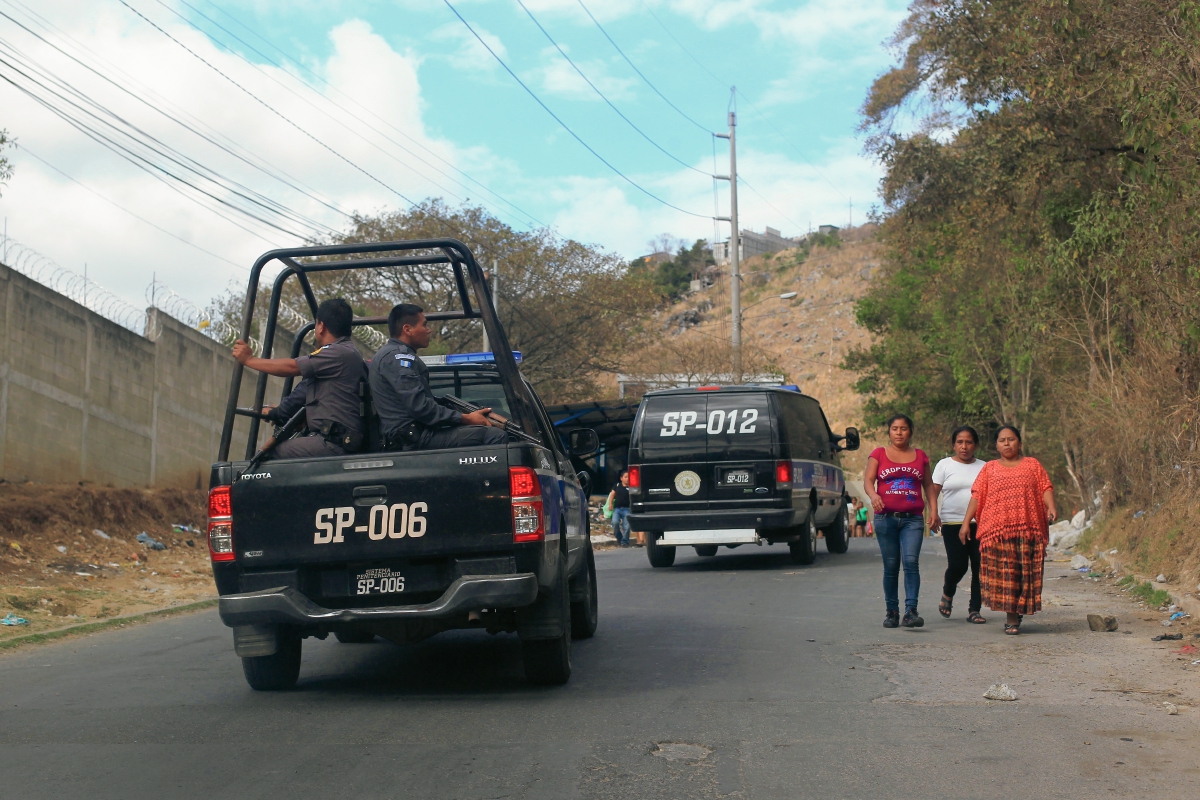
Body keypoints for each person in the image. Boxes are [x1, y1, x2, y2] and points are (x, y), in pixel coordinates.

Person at [232, 298, 366, 459]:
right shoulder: (347, 352)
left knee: (269, 459)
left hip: (333, 442)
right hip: (337, 438)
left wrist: (249, 360)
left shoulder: (337, 352)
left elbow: (292, 367)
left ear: (321, 326)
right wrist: (282, 411)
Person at [370, 303, 507, 451]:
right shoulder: (398, 358)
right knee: (494, 436)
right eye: (424, 325)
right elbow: (420, 407)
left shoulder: (393, 355)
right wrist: (467, 418)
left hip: (415, 435)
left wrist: (458, 412)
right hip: (413, 439)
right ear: (407, 329)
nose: (429, 330)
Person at [963, 425, 1057, 635]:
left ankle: (1018, 609)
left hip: (1028, 530)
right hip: (999, 532)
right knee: (1006, 576)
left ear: (1020, 443)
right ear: (996, 446)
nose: (1007, 443)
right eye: (1002, 440)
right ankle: (1011, 618)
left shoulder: (1033, 465)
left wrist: (1051, 507)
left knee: (1023, 575)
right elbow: (978, 496)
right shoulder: (989, 468)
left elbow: (1045, 487)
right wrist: (966, 522)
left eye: (1011, 439)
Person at [864, 414, 934, 629]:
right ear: (889, 432)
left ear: (910, 431)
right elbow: (868, 480)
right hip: (886, 519)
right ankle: (891, 612)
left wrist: (934, 510)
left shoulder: (920, 456)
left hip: (913, 520)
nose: (899, 432)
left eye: (903, 428)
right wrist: (874, 496)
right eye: (895, 428)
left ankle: (911, 611)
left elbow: (929, 485)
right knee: (891, 565)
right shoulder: (879, 454)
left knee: (911, 562)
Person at [930, 426, 988, 624]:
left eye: (969, 442)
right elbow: (933, 491)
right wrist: (933, 513)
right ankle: (948, 592)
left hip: (980, 524)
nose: (964, 447)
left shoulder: (985, 467)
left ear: (976, 445)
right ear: (954, 444)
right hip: (952, 523)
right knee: (958, 565)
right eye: (960, 442)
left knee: (980, 567)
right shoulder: (944, 465)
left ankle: (974, 609)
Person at [607, 469, 632, 547]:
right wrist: (610, 504)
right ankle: (619, 537)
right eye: (625, 477)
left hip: (627, 509)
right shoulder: (617, 485)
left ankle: (624, 542)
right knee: (615, 523)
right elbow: (612, 495)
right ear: (621, 478)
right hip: (617, 509)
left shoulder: (631, 487)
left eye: (629, 477)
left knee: (627, 526)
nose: (627, 479)